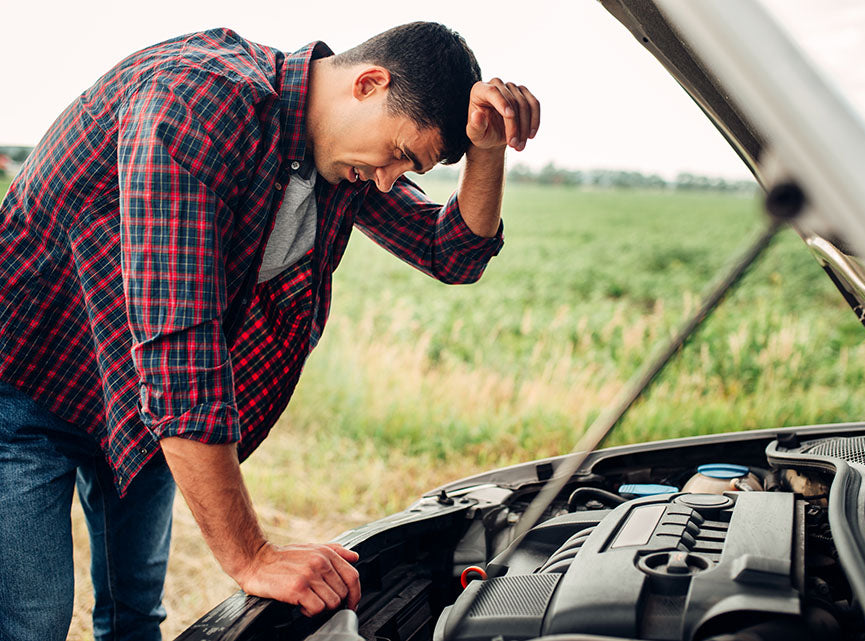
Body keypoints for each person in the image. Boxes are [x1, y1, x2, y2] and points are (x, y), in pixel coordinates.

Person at [0, 22, 539, 641]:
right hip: (29, 381)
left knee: (135, 614)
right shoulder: (195, 102)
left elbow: (454, 253)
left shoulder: (341, 158)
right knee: (30, 621)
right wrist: (251, 556)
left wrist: (488, 151)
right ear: (369, 83)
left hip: (133, 396)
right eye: (398, 155)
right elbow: (182, 354)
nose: (392, 179)